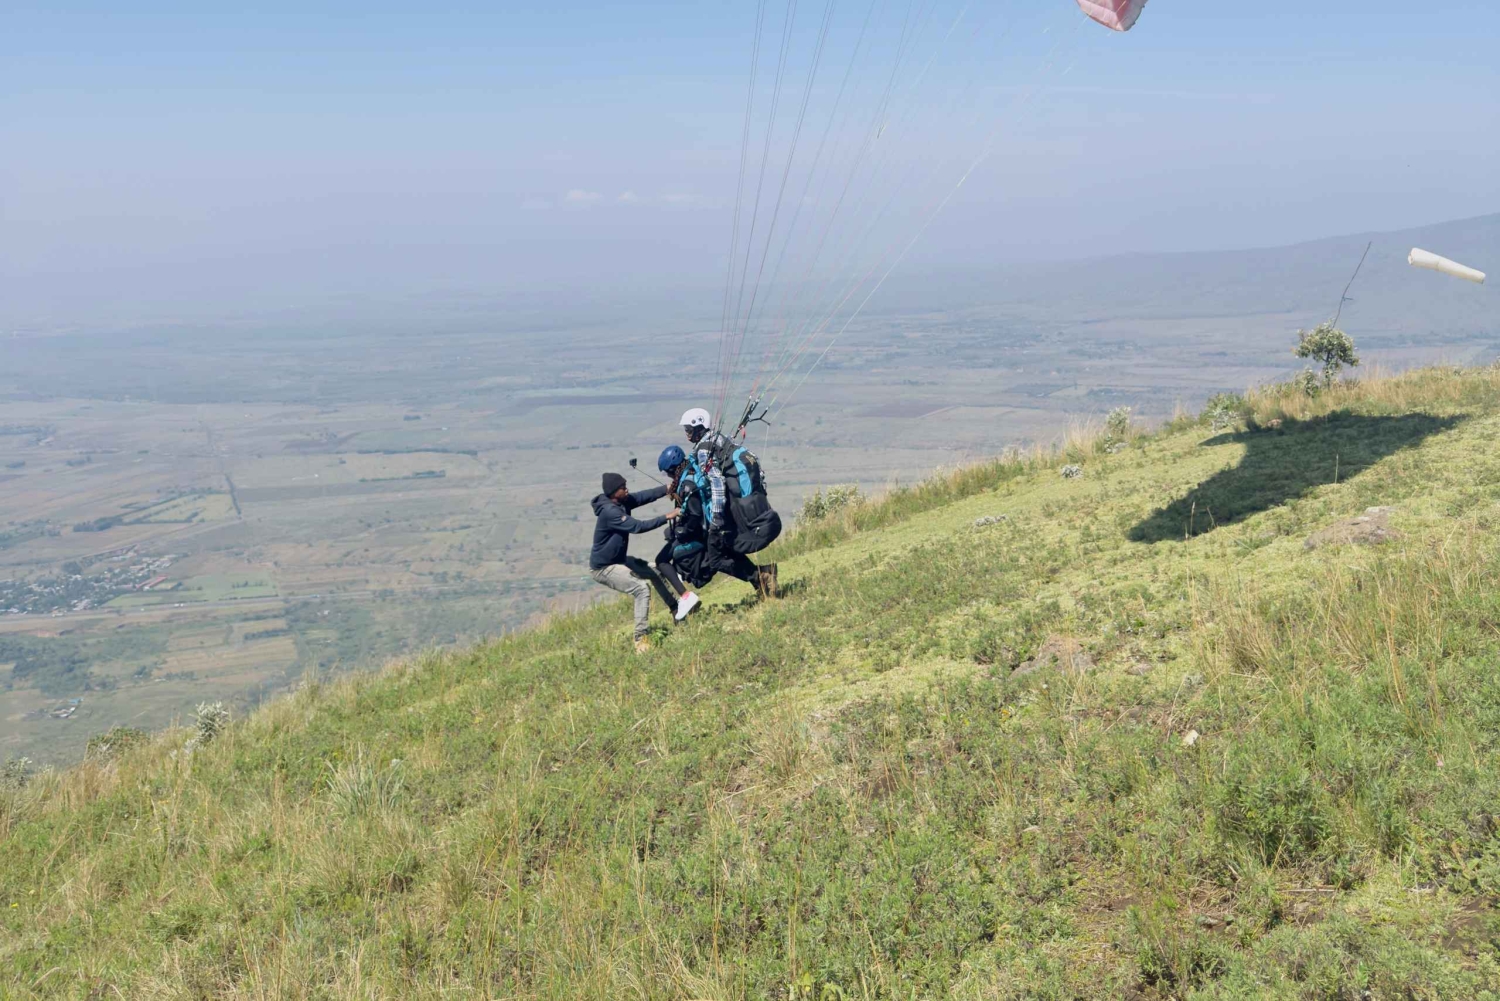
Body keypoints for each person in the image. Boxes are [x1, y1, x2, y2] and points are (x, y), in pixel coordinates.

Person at [676, 409, 779, 598]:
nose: (687, 434)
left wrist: (716, 518)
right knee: (728, 547)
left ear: (699, 428)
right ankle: (763, 577)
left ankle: (761, 576)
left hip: (723, 511)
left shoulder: (703, 450)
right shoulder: (719, 438)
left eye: (689, 429)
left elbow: (716, 482)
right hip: (733, 505)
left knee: (716, 558)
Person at [589, 472, 680, 653]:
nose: (627, 489)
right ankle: (640, 639)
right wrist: (667, 516)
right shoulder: (610, 512)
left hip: (619, 561)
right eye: (623, 487)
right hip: (604, 568)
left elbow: (642, 497)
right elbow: (638, 527)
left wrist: (666, 489)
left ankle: (677, 611)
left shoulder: (621, 501)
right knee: (641, 589)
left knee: (656, 572)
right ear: (614, 492)